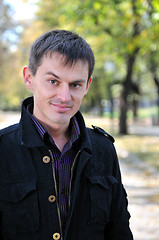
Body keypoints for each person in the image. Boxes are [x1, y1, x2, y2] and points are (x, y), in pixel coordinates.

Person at [0, 29, 133, 240]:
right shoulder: (3, 150)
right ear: (29, 78)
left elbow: (119, 231)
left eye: (75, 85)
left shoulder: (104, 149)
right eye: (53, 81)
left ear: (87, 85)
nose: (64, 96)